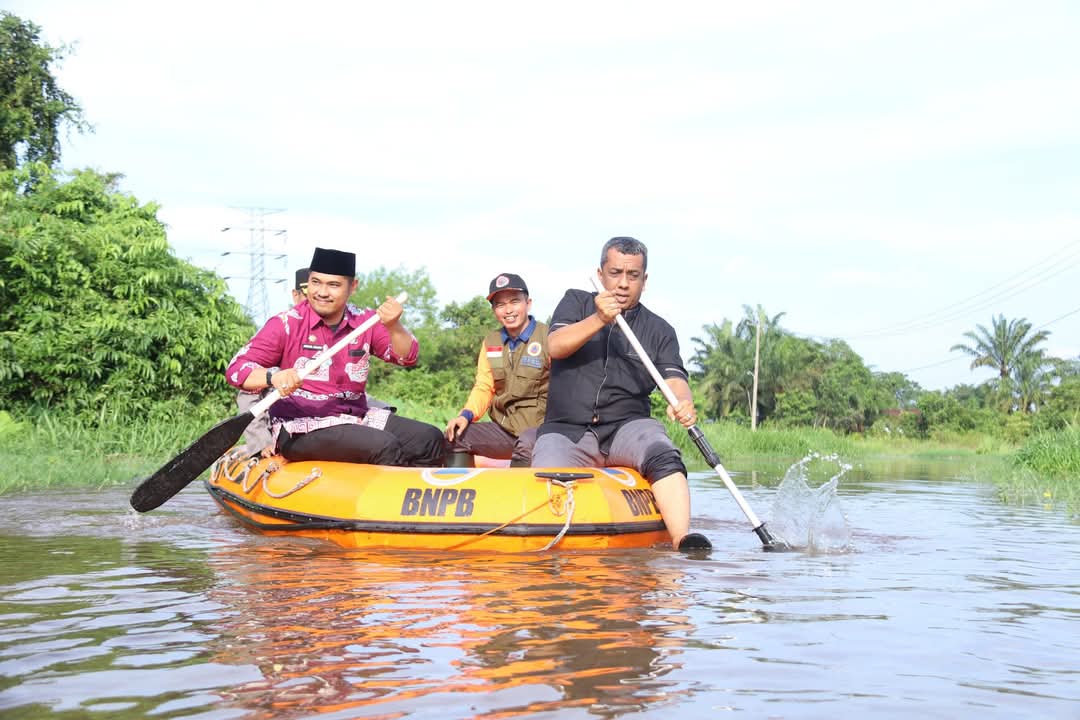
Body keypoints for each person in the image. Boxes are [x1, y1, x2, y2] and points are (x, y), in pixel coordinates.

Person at [531, 237, 711, 552]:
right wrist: (599, 319)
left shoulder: (660, 330)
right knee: (546, 478)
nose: (623, 284)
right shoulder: (575, 302)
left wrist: (683, 402)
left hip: (626, 427)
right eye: (615, 273)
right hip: (567, 428)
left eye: (633, 275)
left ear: (645, 280)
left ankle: (683, 538)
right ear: (600, 275)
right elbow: (554, 346)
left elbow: (674, 378)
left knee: (663, 453)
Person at [226, 247, 444, 466]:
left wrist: (394, 326)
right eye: (315, 282)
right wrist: (273, 377)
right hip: (299, 427)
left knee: (428, 439)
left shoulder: (365, 321)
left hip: (355, 418)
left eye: (333, 285)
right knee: (382, 445)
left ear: (353, 287)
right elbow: (236, 371)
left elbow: (407, 357)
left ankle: (409, 495)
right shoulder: (285, 324)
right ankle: (376, 496)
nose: (322, 292)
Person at [443, 273, 549, 467]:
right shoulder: (491, 342)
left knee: (526, 445)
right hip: (506, 428)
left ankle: (522, 496)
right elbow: (484, 386)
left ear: (528, 303)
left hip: (541, 430)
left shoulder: (549, 337)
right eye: (500, 305)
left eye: (514, 302)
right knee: (455, 436)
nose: (508, 310)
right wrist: (464, 416)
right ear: (494, 311)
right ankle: (467, 494)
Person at [236, 267, 312, 456]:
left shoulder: (336, 337)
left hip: (329, 425)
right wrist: (262, 442)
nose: (315, 304)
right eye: (309, 296)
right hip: (285, 427)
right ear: (296, 295)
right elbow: (249, 393)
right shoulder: (278, 332)